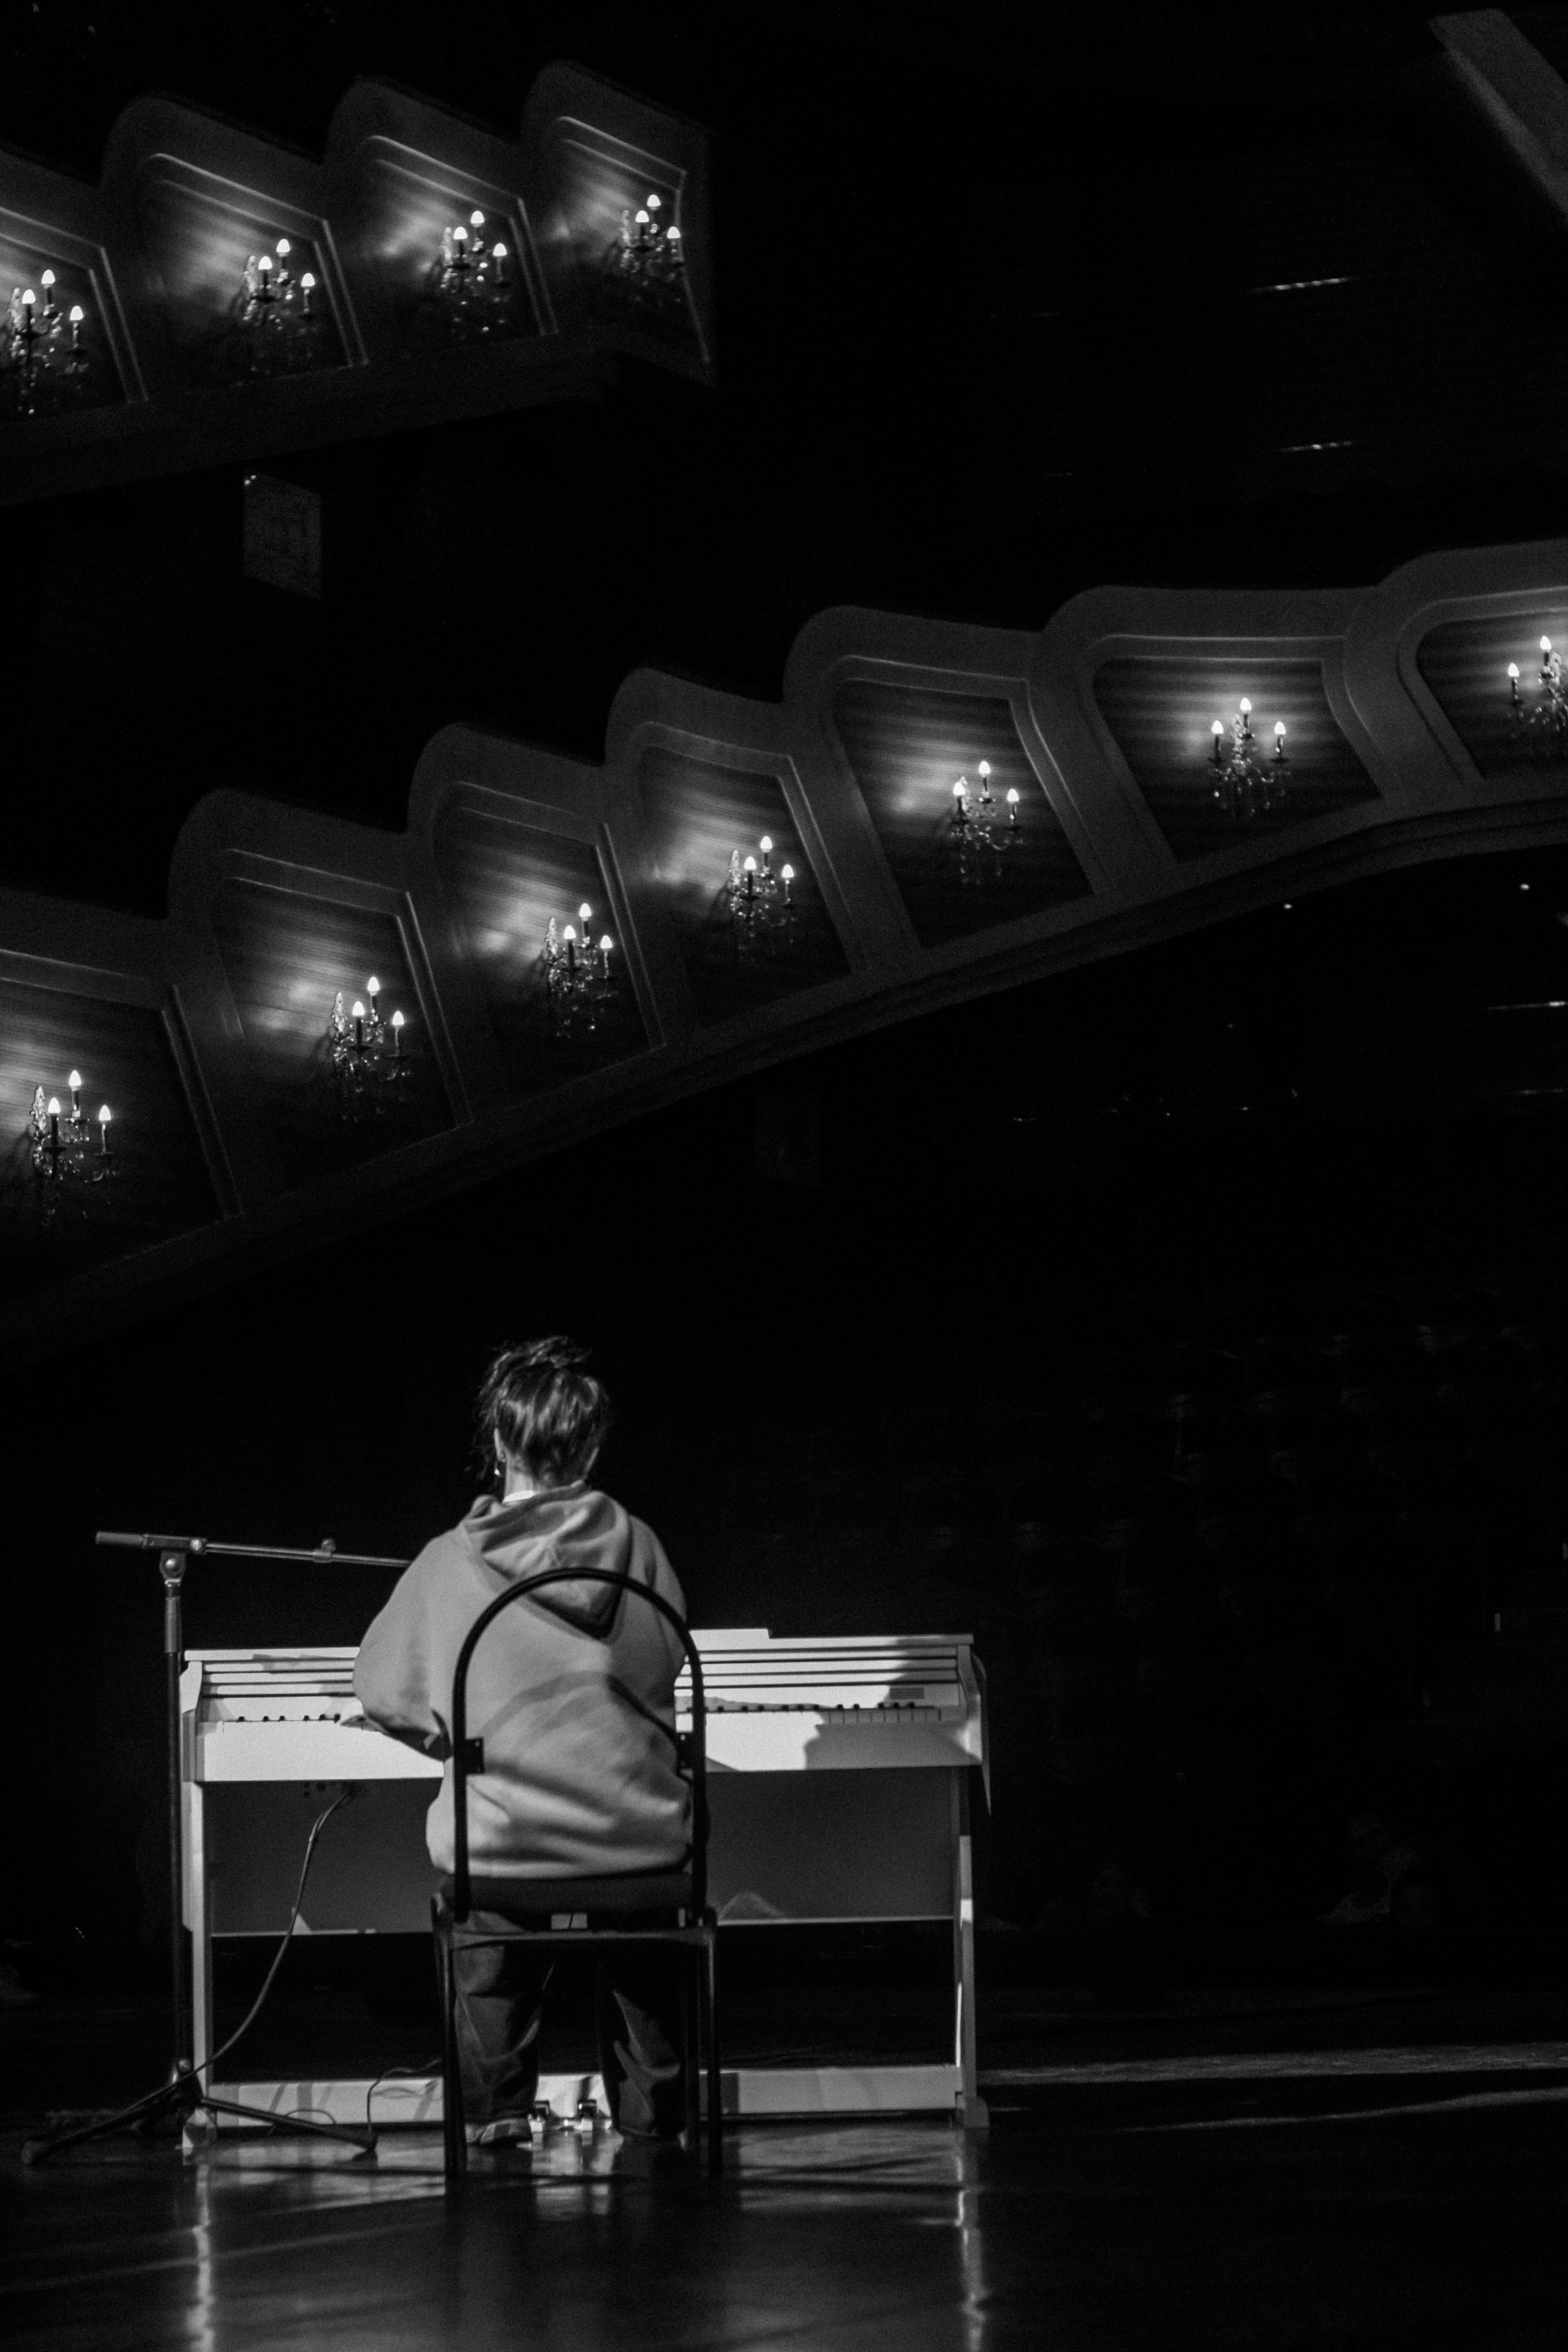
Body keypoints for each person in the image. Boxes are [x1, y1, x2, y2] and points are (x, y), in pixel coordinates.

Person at [355, 1337, 691, 2147]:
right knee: (645, 1936)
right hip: (636, 1845)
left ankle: (497, 2117)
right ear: (592, 1446)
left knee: (481, 1917)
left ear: (499, 1443)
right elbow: (667, 1659)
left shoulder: (447, 1562)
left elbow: (382, 1694)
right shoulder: (639, 1543)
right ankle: (656, 2120)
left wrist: (463, 1740)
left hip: (509, 1848)